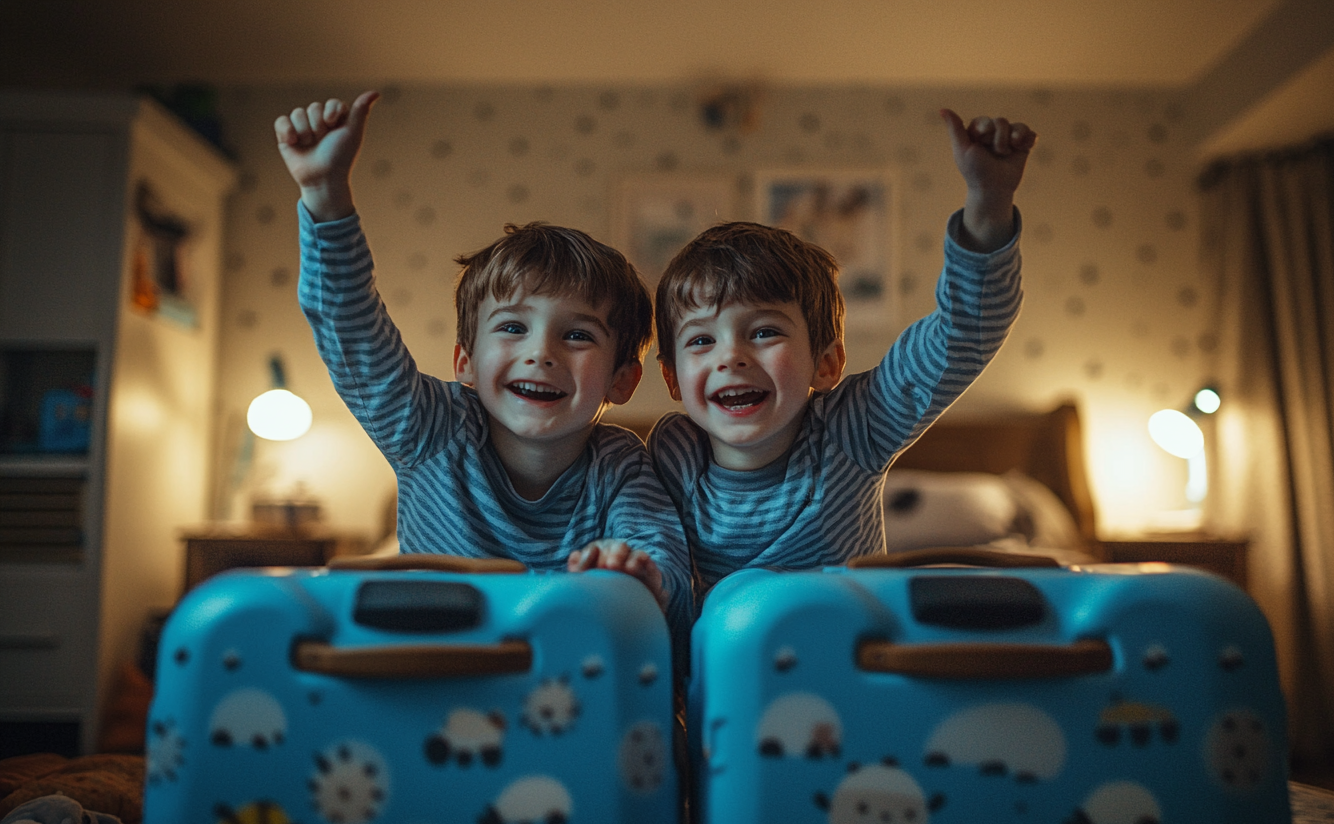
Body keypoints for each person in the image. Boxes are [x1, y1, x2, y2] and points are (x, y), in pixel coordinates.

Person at [275, 91, 693, 661]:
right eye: (513, 328)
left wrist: (643, 578)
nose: (541, 353)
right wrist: (326, 200)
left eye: (577, 335)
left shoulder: (621, 464)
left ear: (622, 379)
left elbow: (662, 560)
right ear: (465, 362)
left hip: (567, 688)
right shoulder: (429, 430)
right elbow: (352, 331)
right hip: (444, 671)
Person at [649, 109, 1035, 595]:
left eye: (764, 332)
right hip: (733, 663)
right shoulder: (672, 457)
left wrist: (989, 201)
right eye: (702, 340)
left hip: (851, 654)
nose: (731, 356)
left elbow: (961, 334)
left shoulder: (854, 428)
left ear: (826, 362)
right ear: (671, 379)